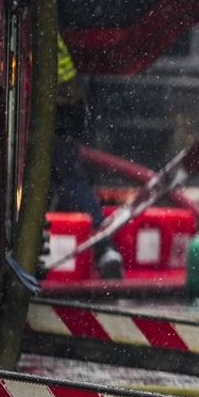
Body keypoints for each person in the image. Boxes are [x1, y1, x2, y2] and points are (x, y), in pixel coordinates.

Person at [50, 35, 124, 280]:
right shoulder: (47, 21)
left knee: (68, 179)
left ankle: (103, 250)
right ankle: (104, 250)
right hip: (67, 105)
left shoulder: (39, 23)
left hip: (54, 108)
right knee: (69, 179)